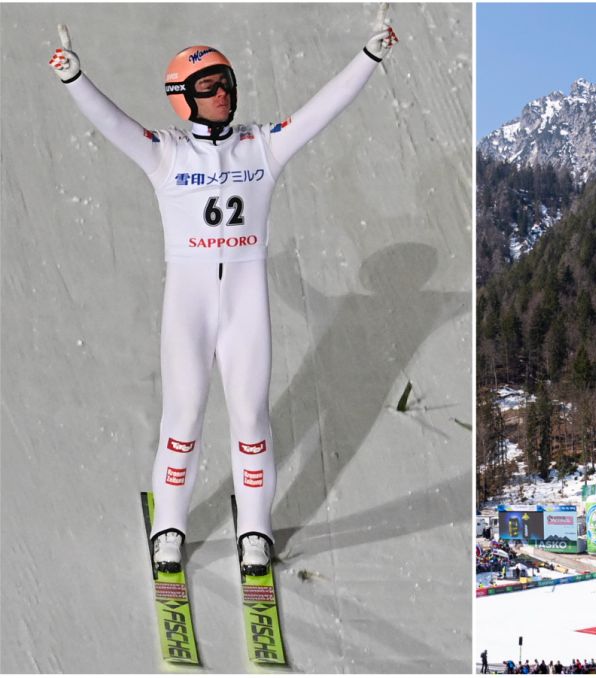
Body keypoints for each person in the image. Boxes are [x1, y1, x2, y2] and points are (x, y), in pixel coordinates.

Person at [49, 15, 399, 576]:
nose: (222, 95)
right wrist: (74, 77)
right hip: (189, 308)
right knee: (183, 417)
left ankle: (255, 531)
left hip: (244, 309)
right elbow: (113, 124)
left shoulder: (261, 146)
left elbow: (320, 111)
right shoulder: (165, 153)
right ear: (182, 100)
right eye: (207, 88)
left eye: (227, 84)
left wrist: (369, 55)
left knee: (251, 419)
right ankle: (170, 527)